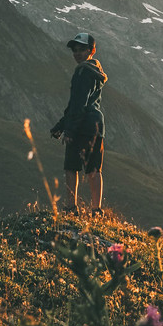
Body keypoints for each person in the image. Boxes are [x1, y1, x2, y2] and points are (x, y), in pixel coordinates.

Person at [49, 32, 108, 215]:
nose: (77, 53)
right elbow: (81, 103)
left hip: (82, 124)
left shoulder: (82, 71)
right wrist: (61, 125)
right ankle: (96, 209)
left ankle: (70, 207)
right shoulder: (95, 70)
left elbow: (78, 104)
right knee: (93, 169)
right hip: (96, 125)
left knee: (71, 167)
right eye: (75, 50)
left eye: (82, 49)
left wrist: (69, 130)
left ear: (92, 50)